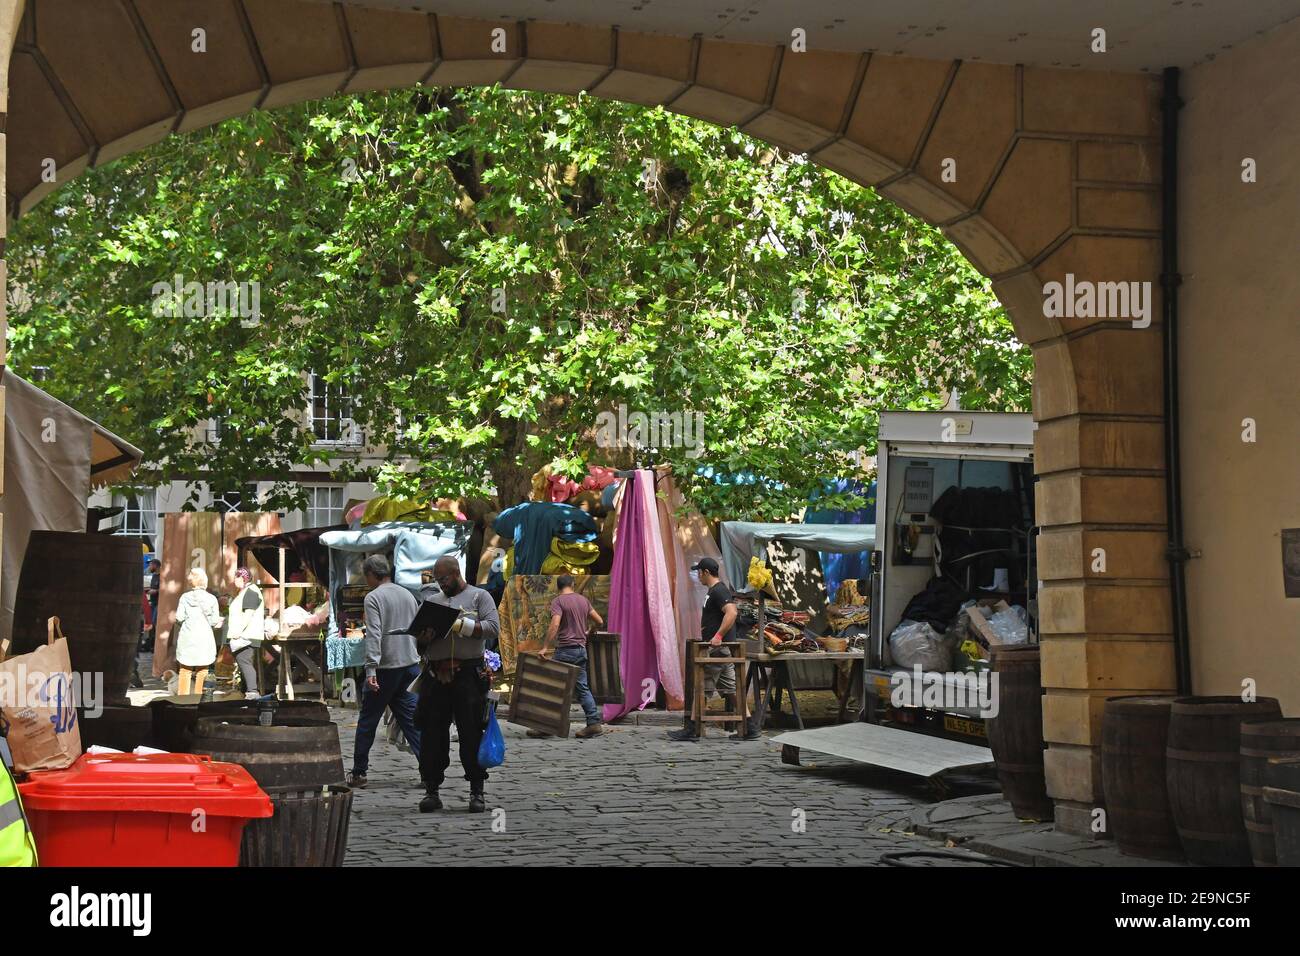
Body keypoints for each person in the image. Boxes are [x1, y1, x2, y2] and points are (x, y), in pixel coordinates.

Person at [415, 555, 500, 813]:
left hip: (467, 674)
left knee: (471, 732)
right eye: (437, 580)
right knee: (432, 734)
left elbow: (493, 628)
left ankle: (477, 790)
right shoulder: (432, 602)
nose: (441, 584)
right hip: (436, 675)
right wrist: (425, 638)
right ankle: (431, 789)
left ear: (456, 573)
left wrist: (462, 625)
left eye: (444, 579)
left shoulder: (479, 597)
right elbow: (419, 646)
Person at [348, 554, 423, 789]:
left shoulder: (374, 597)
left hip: (386, 667)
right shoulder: (407, 594)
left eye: (366, 575)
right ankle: (428, 769)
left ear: (372, 574)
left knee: (368, 720)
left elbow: (374, 635)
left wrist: (370, 669)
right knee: (411, 720)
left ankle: (359, 772)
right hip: (409, 663)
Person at [668, 557, 757, 741]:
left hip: (717, 649)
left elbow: (732, 612)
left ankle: (692, 728)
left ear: (706, 572)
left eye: (699, 572)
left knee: (701, 688)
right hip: (719, 649)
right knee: (731, 690)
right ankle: (750, 727)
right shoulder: (714, 591)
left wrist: (717, 636)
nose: (698, 576)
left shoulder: (719, 590)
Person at [541, 575, 605, 738]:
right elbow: (599, 621)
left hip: (564, 651)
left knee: (552, 687)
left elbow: (555, 624)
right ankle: (593, 723)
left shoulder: (558, 601)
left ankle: (546, 726)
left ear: (558, 587)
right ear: (572, 584)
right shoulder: (583, 600)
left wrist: (545, 647)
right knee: (582, 688)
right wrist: (589, 632)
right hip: (580, 650)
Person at [174, 567, 222, 696]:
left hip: (187, 637)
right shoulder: (212, 599)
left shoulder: (184, 597)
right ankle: (198, 698)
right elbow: (214, 621)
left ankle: (183, 701)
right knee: (202, 669)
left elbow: (179, 617)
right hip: (204, 638)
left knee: (185, 669)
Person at [226, 567, 266, 700]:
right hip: (243, 635)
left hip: (247, 636)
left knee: (244, 662)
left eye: (236, 577)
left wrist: (238, 631)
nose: (234, 581)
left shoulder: (251, 591)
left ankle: (252, 692)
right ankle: (245, 692)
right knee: (243, 662)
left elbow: (248, 614)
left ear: (243, 578)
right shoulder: (244, 591)